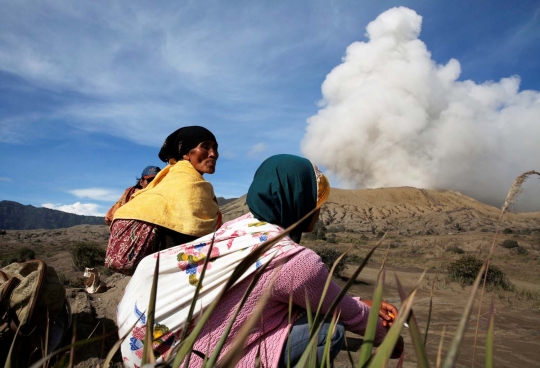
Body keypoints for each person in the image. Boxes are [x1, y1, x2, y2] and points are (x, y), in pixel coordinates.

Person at [116, 154, 401, 367]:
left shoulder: (239, 228)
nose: (319, 210)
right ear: (297, 199)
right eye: (315, 201)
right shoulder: (293, 259)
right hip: (192, 361)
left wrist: (360, 299)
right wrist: (391, 338)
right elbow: (345, 313)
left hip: (150, 354)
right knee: (329, 331)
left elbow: (321, 295)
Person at [105, 126, 222, 275]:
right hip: (173, 274)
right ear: (186, 153)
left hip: (153, 274)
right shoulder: (190, 184)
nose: (213, 154)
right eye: (205, 147)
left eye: (215, 148)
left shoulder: (170, 178)